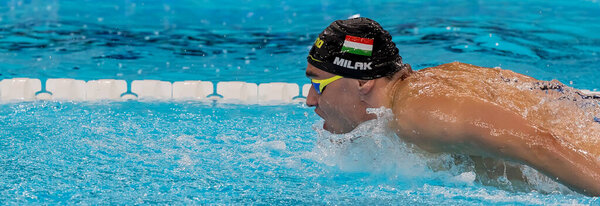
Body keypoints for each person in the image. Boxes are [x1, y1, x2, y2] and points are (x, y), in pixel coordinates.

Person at [304, 17, 600, 196]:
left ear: (362, 82)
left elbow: (540, 144)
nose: (310, 100)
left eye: (318, 84)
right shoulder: (427, 83)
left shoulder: (420, 114)